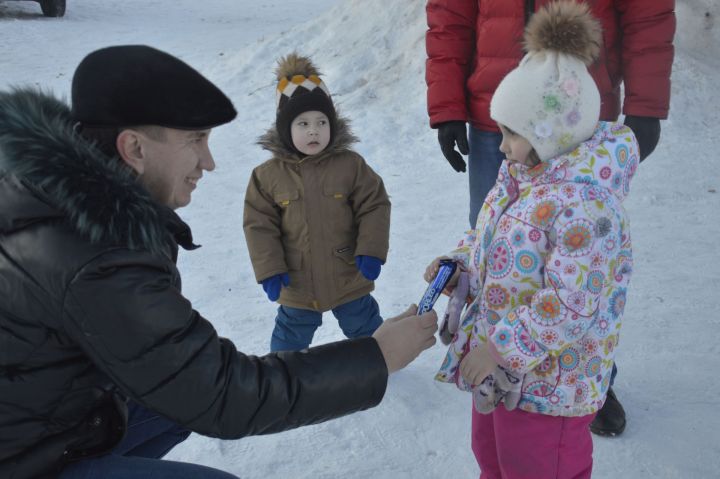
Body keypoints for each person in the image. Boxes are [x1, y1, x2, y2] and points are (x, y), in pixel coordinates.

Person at [0, 45, 438, 479]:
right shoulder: (95, 256)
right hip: (25, 459)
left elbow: (187, 377)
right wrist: (376, 358)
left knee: (175, 401)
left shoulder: (68, 207)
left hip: (53, 423)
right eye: (196, 140)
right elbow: (224, 396)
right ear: (133, 148)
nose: (209, 163)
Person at [425, 0, 675, 437]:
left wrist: (647, 103)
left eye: (510, 138)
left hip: (554, 394)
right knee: (508, 232)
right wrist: (462, 266)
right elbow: (493, 241)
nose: (503, 148)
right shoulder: (517, 168)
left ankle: (584, 386)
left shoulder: (586, 209)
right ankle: (505, 376)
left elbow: (575, 299)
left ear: (544, 139)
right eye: (503, 136)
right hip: (513, 94)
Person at [244, 53, 390, 352]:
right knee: (290, 335)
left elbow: (374, 205)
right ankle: (280, 376)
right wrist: (270, 268)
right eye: (303, 123)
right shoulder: (267, 176)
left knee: (365, 326)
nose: (314, 130)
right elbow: (259, 225)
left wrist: (371, 250)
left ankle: (383, 359)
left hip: (347, 272)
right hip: (297, 280)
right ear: (286, 129)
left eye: (322, 122)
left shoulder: (350, 165)